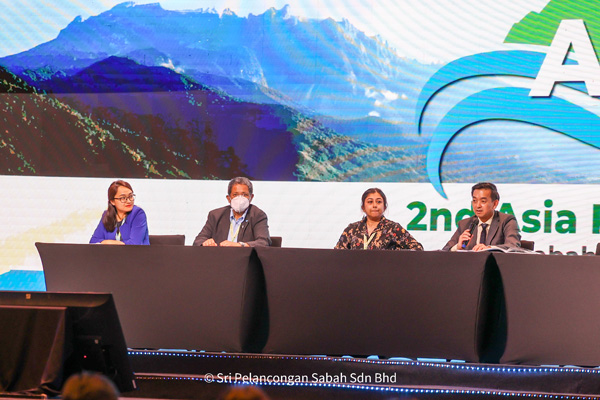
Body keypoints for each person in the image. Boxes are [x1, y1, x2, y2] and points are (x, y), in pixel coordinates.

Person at [334, 188, 423, 251]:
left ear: (384, 207)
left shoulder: (393, 228)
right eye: (370, 202)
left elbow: (417, 249)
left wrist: (394, 257)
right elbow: (337, 254)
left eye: (379, 202)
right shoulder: (352, 229)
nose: (374, 205)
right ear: (363, 207)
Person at [193, 177, 271, 247]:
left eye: (244, 195)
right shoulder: (216, 215)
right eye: (235, 195)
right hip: (219, 257)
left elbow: (263, 242)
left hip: (244, 257)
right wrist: (205, 242)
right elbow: (198, 240)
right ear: (228, 198)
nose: (240, 199)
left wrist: (240, 245)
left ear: (251, 197)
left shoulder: (258, 215)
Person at [442, 182, 520, 251]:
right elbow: (444, 251)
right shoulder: (465, 224)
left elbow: (513, 246)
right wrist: (457, 247)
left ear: (495, 204)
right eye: (474, 201)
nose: (478, 205)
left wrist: (489, 248)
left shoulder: (507, 221)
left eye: (483, 201)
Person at [90, 180, 150, 245]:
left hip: (135, 252)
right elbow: (93, 241)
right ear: (112, 201)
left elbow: (134, 244)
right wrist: (113, 243)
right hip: (110, 252)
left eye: (130, 196)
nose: (129, 201)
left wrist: (107, 243)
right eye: (123, 198)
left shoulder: (138, 214)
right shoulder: (107, 215)